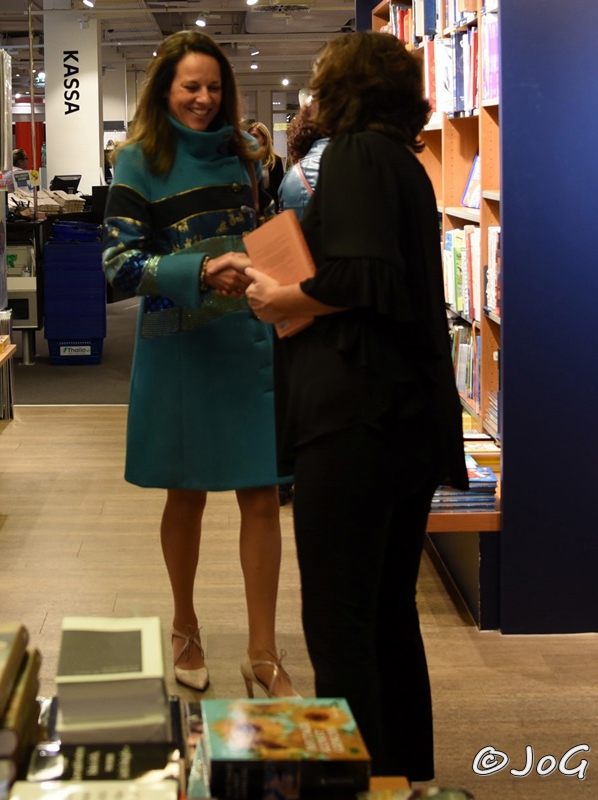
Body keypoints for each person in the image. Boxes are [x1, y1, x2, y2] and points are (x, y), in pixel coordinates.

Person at [244, 31, 468, 780]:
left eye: (319, 82)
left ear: (343, 89)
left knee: (339, 622)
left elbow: (359, 276)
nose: (312, 95)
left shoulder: (353, 156)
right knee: (386, 614)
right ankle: (400, 775)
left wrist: (279, 296)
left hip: (355, 418)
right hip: (402, 418)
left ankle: (352, 783)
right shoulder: (401, 160)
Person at [102, 30, 296, 699]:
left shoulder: (246, 155)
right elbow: (118, 267)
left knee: (262, 495)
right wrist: (201, 269)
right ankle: (184, 626)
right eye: (191, 86)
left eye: (214, 87)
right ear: (165, 90)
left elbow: (260, 233)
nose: (204, 99)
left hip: (248, 341)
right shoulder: (137, 160)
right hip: (180, 347)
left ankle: (263, 651)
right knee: (184, 494)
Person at [272, 102, 330, 506]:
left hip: (295, 291)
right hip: (338, 295)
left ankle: (284, 477)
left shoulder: (294, 177)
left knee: (292, 388)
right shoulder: (355, 168)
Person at [246, 120, 284, 212]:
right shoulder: (246, 160)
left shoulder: (275, 161)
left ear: (264, 139)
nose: (251, 140)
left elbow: (278, 189)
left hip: (270, 207)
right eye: (249, 136)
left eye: (255, 136)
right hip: (250, 207)